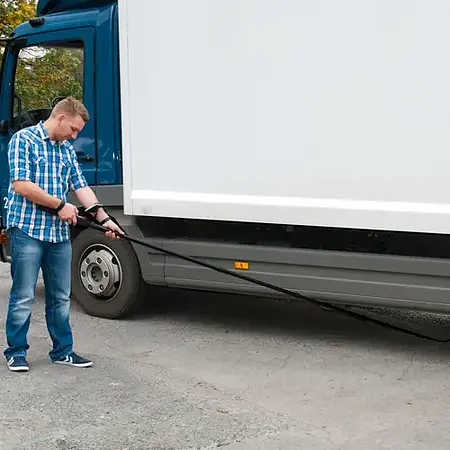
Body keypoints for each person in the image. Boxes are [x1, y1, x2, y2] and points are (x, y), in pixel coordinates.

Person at [3, 97, 123, 372]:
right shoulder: (24, 141)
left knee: (60, 296)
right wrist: (59, 205)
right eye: (74, 129)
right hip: (27, 229)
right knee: (23, 295)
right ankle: (16, 351)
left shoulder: (66, 149)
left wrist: (106, 220)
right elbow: (21, 184)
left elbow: (81, 187)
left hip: (58, 235)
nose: (75, 135)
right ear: (60, 118)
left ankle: (63, 351)